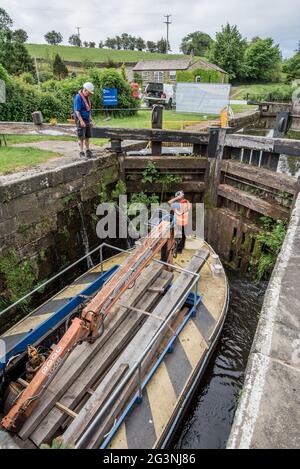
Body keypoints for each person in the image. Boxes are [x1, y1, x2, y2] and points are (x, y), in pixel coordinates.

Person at [73, 82, 95, 159]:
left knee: (87, 136)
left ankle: (88, 151)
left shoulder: (87, 98)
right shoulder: (78, 97)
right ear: (85, 90)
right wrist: (81, 121)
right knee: (81, 137)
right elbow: (77, 111)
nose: (89, 94)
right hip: (80, 120)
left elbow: (88, 110)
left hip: (87, 119)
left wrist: (91, 120)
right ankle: (81, 152)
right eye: (89, 92)